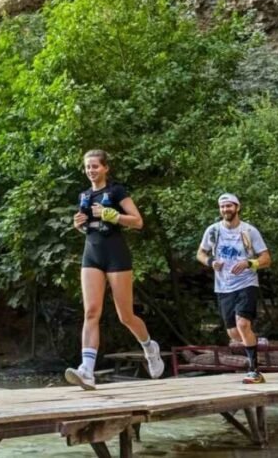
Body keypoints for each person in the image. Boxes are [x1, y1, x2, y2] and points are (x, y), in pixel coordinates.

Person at [66, 149, 164, 390]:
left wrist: (113, 215)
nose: (91, 170)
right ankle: (87, 369)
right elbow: (90, 226)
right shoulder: (84, 196)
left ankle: (149, 347)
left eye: (95, 166)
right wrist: (78, 225)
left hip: (116, 255)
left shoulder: (116, 191)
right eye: (88, 167)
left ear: (105, 168)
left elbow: (138, 221)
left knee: (125, 316)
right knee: (91, 312)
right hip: (92, 254)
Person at [196, 193, 271, 384]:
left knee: (243, 324)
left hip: (246, 283)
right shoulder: (213, 231)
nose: (225, 210)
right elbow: (200, 253)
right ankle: (255, 341)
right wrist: (211, 262)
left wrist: (249, 263)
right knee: (233, 334)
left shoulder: (248, 231)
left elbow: (266, 259)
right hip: (223, 286)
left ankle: (254, 371)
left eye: (229, 206)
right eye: (222, 207)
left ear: (237, 207)